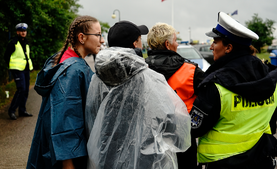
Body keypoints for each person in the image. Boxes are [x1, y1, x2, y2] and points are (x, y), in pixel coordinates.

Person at [85, 21, 192, 169]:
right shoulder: (149, 78)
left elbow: (91, 117)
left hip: (105, 157)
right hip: (145, 160)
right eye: (140, 40)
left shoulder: (97, 78)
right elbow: (176, 123)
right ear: (135, 44)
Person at [190, 12, 277, 169]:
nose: (211, 47)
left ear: (228, 48)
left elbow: (195, 128)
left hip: (224, 163)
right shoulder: (270, 76)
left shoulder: (215, 85)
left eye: (215, 42)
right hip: (262, 160)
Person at [26, 15, 104, 169]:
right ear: (81, 37)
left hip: (52, 150)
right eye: (98, 35)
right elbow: (65, 125)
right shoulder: (72, 71)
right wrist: (68, 164)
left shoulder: (62, 59)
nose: (101, 40)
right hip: (65, 159)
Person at [145, 23, 205, 169]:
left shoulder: (141, 70)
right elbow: (208, 101)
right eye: (176, 40)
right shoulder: (191, 71)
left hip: (149, 140)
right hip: (183, 140)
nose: (177, 44)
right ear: (167, 44)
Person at [4, 23, 33, 120]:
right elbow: (6, 56)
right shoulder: (13, 42)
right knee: (21, 89)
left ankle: (22, 110)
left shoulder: (27, 42)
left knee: (25, 90)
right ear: (17, 32)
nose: (23, 33)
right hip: (17, 69)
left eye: (24, 31)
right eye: (21, 31)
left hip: (25, 69)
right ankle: (11, 111)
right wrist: (11, 67)